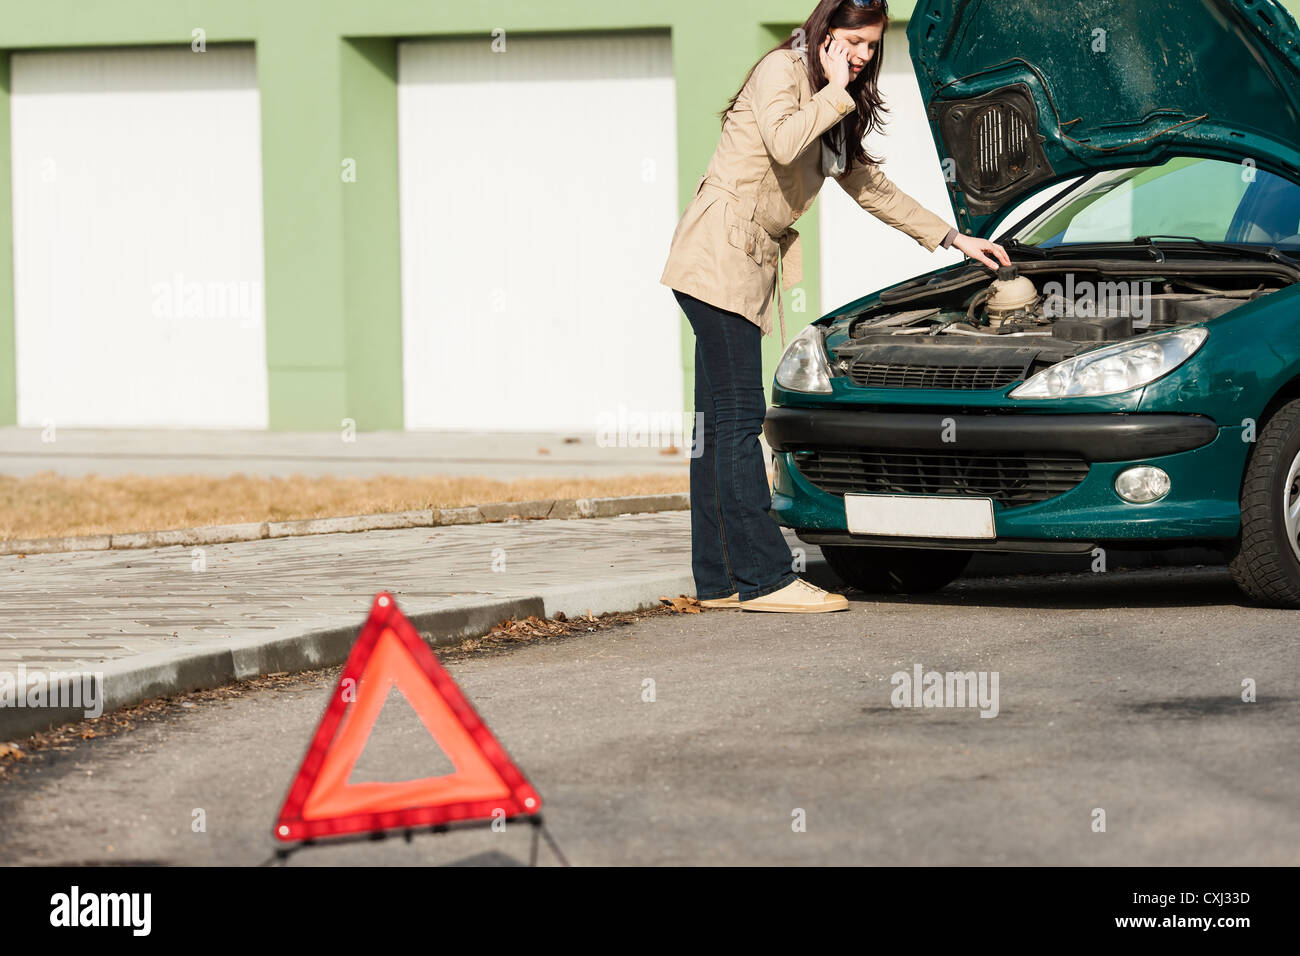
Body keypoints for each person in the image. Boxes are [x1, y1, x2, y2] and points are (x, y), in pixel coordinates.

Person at [660, 0, 1010, 614]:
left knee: (716, 427)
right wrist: (840, 88)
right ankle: (766, 579)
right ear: (825, 33)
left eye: (871, 46)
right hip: (717, 254)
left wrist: (951, 237)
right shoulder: (783, 71)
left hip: (739, 259)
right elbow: (783, 138)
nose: (861, 55)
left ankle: (719, 580)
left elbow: (870, 186)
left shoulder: (831, 95)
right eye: (852, 41)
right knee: (741, 421)